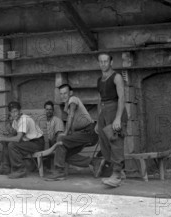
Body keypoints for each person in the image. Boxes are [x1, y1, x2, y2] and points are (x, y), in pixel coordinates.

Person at [44, 84, 98, 181]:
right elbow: (73, 124)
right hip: (81, 134)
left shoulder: (73, 99)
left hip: (88, 132)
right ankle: (94, 162)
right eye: (61, 94)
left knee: (61, 139)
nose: (63, 96)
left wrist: (65, 133)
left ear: (70, 93)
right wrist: (69, 135)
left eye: (65, 93)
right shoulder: (66, 107)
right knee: (64, 154)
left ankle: (59, 171)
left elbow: (71, 115)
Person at [96, 52, 128, 188]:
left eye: (106, 61)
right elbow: (100, 100)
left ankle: (116, 174)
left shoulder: (117, 77)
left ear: (111, 62)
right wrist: (99, 120)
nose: (103, 64)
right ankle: (119, 171)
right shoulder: (99, 80)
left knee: (115, 141)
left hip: (115, 110)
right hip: (104, 112)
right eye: (101, 61)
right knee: (104, 143)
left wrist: (118, 118)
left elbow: (121, 98)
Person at [0, 101, 45, 179]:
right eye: (12, 112)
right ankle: (5, 167)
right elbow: (11, 135)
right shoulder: (15, 121)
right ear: (9, 113)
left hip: (37, 143)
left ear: (20, 111)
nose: (14, 114)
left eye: (16, 111)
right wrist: (1, 137)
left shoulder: (24, 119)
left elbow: (17, 139)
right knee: (6, 142)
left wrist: (3, 138)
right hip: (28, 143)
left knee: (12, 145)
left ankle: (20, 170)